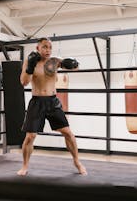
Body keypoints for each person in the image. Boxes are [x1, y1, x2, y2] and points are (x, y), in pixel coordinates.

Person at [17, 37, 87, 176]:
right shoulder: (30, 61)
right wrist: (30, 65)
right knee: (30, 136)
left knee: (68, 133)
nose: (47, 50)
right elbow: (24, 82)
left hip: (53, 102)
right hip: (37, 102)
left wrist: (72, 63)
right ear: (38, 48)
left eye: (49, 47)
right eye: (44, 47)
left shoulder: (55, 61)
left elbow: (77, 67)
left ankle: (77, 161)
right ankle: (25, 165)